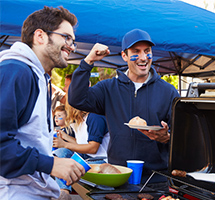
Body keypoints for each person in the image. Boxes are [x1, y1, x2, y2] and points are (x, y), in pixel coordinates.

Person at [68, 28, 180, 190]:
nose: (143, 57)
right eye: (136, 51)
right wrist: (88, 61)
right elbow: (76, 99)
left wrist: (168, 137)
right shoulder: (108, 88)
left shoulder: (168, 91)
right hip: (117, 175)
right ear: (124, 56)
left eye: (147, 51)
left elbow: (183, 139)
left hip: (156, 179)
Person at [0, 6, 86, 200]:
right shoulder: (16, 71)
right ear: (40, 36)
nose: (72, 46)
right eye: (66, 37)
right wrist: (51, 165)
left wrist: (52, 161)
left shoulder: (38, 76)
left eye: (73, 40)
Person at [53, 102, 109, 195]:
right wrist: (65, 137)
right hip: (86, 157)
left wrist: (64, 144)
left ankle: (64, 192)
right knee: (60, 153)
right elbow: (80, 144)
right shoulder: (81, 120)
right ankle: (64, 190)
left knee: (67, 159)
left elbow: (93, 148)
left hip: (100, 161)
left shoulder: (95, 117)